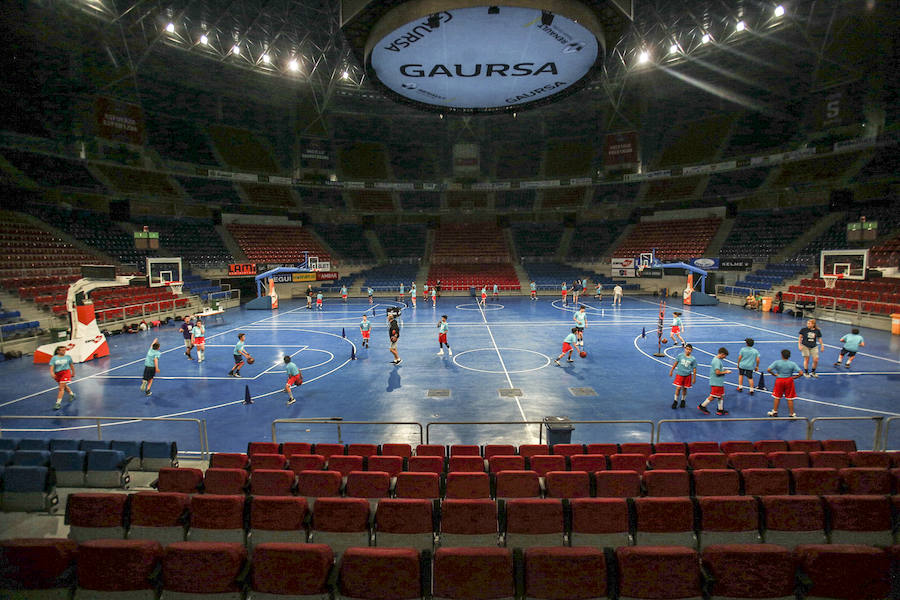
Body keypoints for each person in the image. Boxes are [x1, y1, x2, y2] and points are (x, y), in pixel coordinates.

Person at [767, 349, 803, 417]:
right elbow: (801, 373)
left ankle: (775, 412)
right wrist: (794, 377)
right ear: (789, 356)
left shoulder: (777, 362)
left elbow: (768, 369)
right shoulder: (792, 364)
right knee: (790, 398)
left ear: (782, 355)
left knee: (777, 396)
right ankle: (792, 414)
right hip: (789, 380)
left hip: (779, 380)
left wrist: (774, 374)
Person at [698, 347, 731, 416]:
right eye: (725, 356)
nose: (725, 358)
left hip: (718, 382)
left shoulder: (717, 360)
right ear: (722, 354)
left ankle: (720, 410)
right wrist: (726, 372)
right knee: (713, 396)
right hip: (716, 382)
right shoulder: (716, 361)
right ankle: (702, 406)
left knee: (720, 395)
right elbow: (717, 372)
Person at [668, 344, 697, 409]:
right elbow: (675, 363)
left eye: (689, 349)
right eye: (687, 349)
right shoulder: (680, 356)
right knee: (678, 388)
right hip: (680, 375)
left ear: (691, 350)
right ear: (684, 349)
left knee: (685, 388)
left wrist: (694, 378)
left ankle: (683, 400)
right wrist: (671, 370)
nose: (688, 351)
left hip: (687, 376)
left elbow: (694, 369)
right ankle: (675, 401)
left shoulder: (693, 359)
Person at [48, 345, 76, 410]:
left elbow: (71, 365)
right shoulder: (54, 358)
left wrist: (73, 372)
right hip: (58, 374)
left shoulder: (68, 357)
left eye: (65, 350)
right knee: (64, 386)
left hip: (66, 372)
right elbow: (52, 367)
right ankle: (72, 394)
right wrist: (52, 373)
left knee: (61, 388)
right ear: (58, 351)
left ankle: (58, 403)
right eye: (62, 350)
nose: (64, 351)